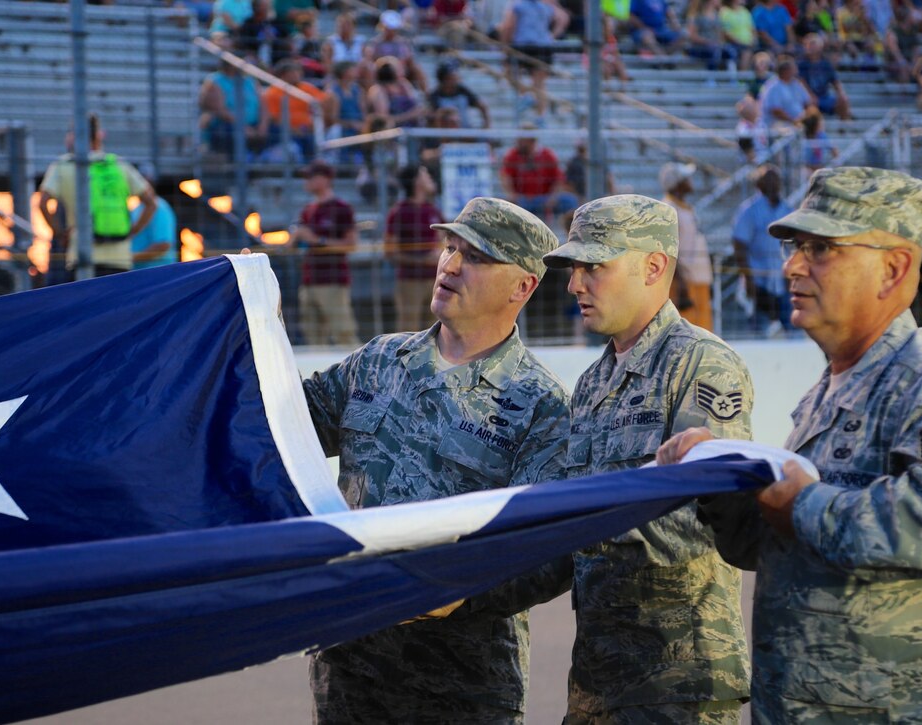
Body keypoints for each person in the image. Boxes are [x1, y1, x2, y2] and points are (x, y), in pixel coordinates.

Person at [658, 166, 922, 723]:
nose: (791, 265)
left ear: (893, 267)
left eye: (821, 248)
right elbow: (775, 549)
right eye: (794, 247)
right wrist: (719, 481)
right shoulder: (826, 392)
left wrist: (804, 504)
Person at [307, 197, 570, 723]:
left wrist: (458, 597)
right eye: (449, 247)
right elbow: (280, 430)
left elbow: (550, 551)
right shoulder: (379, 360)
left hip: (462, 681)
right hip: (349, 665)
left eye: (475, 257)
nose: (449, 265)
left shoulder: (540, 404)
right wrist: (246, 324)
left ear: (523, 287)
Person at [542, 195, 752, 723]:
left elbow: (703, 518)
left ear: (654, 266)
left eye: (594, 266)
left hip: (680, 683)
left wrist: (576, 519)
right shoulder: (591, 383)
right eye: (574, 268)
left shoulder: (702, 365)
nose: (574, 284)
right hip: (598, 682)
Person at [38, 113, 155, 279]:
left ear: (75, 135)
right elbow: (151, 203)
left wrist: (60, 234)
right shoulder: (119, 164)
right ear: (99, 135)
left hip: (82, 255)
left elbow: (42, 203)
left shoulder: (64, 165)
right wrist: (132, 231)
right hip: (120, 259)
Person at [292, 160, 358, 346]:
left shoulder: (341, 208)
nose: (306, 181)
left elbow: (350, 245)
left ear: (325, 179)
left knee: (343, 334)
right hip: (309, 280)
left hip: (332, 281)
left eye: (310, 177)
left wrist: (316, 240)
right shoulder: (308, 210)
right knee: (312, 337)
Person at [732, 164, 793, 335]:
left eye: (776, 180)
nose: (773, 184)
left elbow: (793, 244)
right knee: (760, 331)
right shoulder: (749, 211)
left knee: (791, 332)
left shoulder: (787, 209)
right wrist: (748, 278)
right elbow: (739, 244)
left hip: (782, 281)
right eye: (769, 180)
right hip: (759, 282)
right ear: (759, 184)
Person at [384, 164, 443, 332]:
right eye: (425, 174)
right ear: (416, 181)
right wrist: (423, 260)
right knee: (408, 332)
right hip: (409, 281)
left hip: (435, 280)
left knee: (436, 331)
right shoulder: (399, 212)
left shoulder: (433, 210)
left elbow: (443, 243)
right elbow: (390, 251)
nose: (430, 178)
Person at [661, 162, 714, 330]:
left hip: (698, 278)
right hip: (683, 282)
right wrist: (680, 281)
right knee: (686, 334)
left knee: (703, 332)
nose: (690, 181)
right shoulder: (668, 209)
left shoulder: (686, 208)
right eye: (686, 178)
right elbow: (667, 249)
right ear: (677, 183)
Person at [499, 0, 569, 117]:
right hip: (543, 47)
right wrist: (552, 36)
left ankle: (527, 96)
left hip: (523, 46)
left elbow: (508, 26)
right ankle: (540, 118)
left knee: (508, 73)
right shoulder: (545, 5)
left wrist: (505, 47)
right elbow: (563, 17)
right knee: (540, 85)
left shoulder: (518, 5)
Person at [500, 126, 579, 222]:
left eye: (522, 140)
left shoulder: (547, 155)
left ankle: (572, 232)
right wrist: (511, 194)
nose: (518, 142)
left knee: (570, 201)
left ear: (531, 141)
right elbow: (505, 176)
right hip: (522, 199)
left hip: (544, 199)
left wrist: (553, 197)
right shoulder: (513, 154)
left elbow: (559, 179)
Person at [198, 57, 269, 157]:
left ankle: (261, 160)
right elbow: (220, 110)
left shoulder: (251, 80)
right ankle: (240, 163)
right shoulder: (214, 81)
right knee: (234, 134)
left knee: (275, 131)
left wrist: (263, 126)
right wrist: (243, 127)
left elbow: (263, 106)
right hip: (227, 125)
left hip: (253, 126)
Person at [263, 58, 329, 160]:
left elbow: (323, 101)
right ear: (283, 75)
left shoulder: (306, 87)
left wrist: (316, 123)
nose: (298, 75)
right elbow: (274, 118)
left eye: (298, 72)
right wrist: (293, 129)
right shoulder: (273, 92)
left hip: (308, 129)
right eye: (293, 72)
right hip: (285, 131)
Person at [130, 166, 178, 270]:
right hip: (139, 274)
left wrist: (130, 258)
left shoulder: (161, 208)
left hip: (157, 275)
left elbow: (163, 245)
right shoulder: (136, 208)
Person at [797, 33, 852, 120]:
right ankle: (814, 129)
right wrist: (810, 95)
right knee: (810, 103)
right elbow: (801, 82)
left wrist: (841, 94)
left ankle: (844, 129)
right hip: (808, 97)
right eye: (810, 44)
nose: (812, 47)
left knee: (843, 101)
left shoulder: (826, 64)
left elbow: (835, 81)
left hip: (824, 96)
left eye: (814, 44)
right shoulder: (802, 64)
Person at [428, 62, 491, 129]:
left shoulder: (463, 91)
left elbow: (482, 106)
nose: (456, 78)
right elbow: (432, 116)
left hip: (465, 131)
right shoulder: (435, 95)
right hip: (445, 133)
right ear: (444, 80)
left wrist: (486, 126)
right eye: (452, 77)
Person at [758, 56, 815, 128]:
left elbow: (807, 102)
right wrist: (794, 121)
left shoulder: (796, 84)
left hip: (797, 123)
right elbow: (776, 111)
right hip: (776, 125)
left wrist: (806, 118)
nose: (796, 71)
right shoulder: (773, 86)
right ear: (785, 71)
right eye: (793, 69)